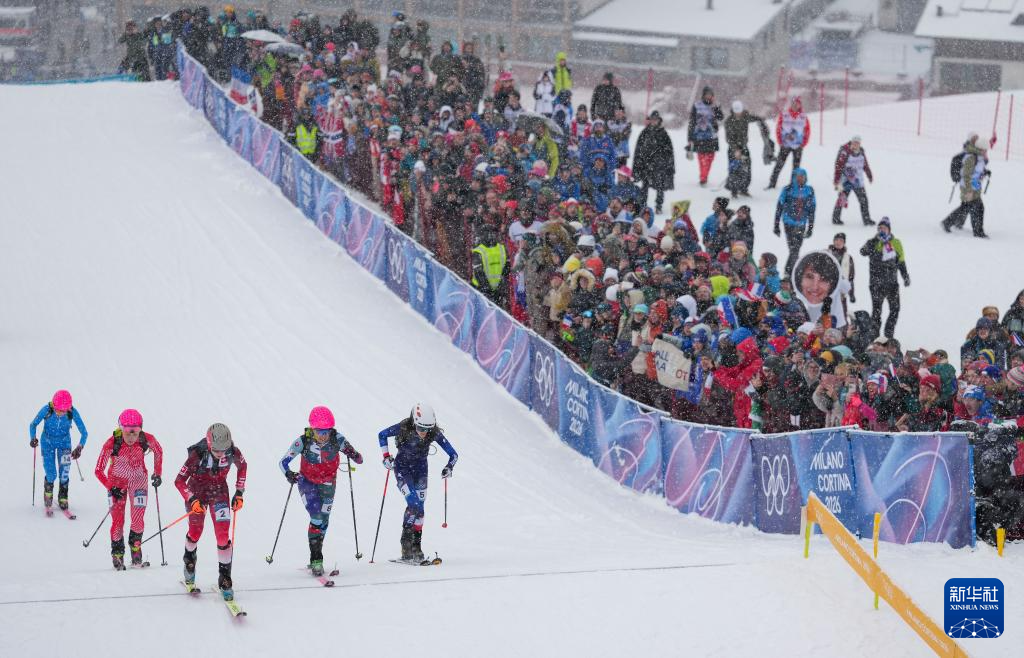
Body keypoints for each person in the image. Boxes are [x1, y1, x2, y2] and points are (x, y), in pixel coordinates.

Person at [280, 406, 363, 576]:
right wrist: (289, 474)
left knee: (324, 521)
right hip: (307, 482)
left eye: (327, 431)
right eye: (319, 432)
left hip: (328, 483)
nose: (323, 435)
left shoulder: (337, 439)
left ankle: (316, 552)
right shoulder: (303, 441)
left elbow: (358, 458)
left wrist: (354, 454)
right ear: (312, 429)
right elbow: (283, 462)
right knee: (316, 517)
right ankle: (316, 558)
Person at [378, 403, 458, 563]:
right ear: (414, 422)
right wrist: (386, 457)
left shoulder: (433, 432)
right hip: (402, 469)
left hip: (421, 470)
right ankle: (406, 546)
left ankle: (416, 547)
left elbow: (453, 454)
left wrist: (449, 467)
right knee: (414, 503)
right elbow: (382, 434)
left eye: (427, 429)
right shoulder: (404, 427)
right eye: (421, 428)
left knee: (420, 508)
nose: (424, 432)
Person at [174, 423, 247, 598]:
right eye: (216, 449)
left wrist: (239, 492)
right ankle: (189, 560)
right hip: (197, 492)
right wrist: (191, 499)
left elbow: (243, 466)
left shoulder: (233, 452)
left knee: (223, 535)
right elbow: (179, 481)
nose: (220, 453)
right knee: (195, 532)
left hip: (219, 492)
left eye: (224, 449)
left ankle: (225, 578)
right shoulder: (197, 454)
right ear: (208, 444)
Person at [93, 409, 163, 570]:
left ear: (140, 430)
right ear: (121, 429)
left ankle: (136, 549)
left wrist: (157, 473)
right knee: (118, 521)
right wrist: (110, 487)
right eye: (127, 433)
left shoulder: (146, 439)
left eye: (135, 433)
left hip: (139, 482)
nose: (131, 438)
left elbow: (158, 451)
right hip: (116, 484)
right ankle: (117, 554)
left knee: (138, 519)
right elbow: (98, 470)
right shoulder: (112, 443)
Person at [29, 390, 88, 515]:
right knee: (51, 473)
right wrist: (33, 438)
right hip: (47, 442)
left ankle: (63, 497)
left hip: (64, 443)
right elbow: (33, 424)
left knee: (64, 472)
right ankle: (48, 495)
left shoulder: (72, 412)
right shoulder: (47, 410)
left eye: (63, 410)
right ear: (53, 405)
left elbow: (84, 432)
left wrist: (79, 447)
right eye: (58, 410)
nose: (60, 413)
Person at [860, 217, 909, 338]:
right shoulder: (873, 242)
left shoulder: (896, 243)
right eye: (880, 228)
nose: (882, 230)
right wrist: (873, 241)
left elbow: (901, 261)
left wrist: (905, 276)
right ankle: (875, 336)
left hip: (892, 283)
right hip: (876, 284)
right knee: (876, 312)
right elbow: (863, 252)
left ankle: (888, 335)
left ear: (889, 229)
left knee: (895, 310)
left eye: (884, 228)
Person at [941, 134, 990, 237]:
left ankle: (948, 222)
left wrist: (985, 173)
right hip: (968, 187)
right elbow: (966, 175)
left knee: (967, 207)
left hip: (975, 186)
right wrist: (969, 191)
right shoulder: (971, 157)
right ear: (981, 149)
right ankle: (978, 232)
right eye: (985, 150)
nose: (986, 152)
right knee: (977, 207)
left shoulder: (979, 157)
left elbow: (976, 171)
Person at [773, 168, 815, 278]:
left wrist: (810, 227)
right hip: (788, 223)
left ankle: (790, 271)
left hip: (801, 223)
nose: (800, 178)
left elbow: (812, 209)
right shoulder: (787, 189)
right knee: (794, 248)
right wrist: (776, 225)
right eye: (797, 176)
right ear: (793, 177)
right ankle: (791, 272)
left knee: (795, 249)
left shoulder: (809, 190)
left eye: (802, 176)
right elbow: (779, 206)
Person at [633, 110, 675, 214]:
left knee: (660, 186)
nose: (653, 121)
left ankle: (658, 205)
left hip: (659, 166)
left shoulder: (663, 134)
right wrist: (638, 163)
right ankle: (643, 205)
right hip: (646, 165)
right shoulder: (644, 133)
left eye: (655, 120)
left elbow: (669, 151)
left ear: (659, 120)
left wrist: (666, 163)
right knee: (645, 186)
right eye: (652, 119)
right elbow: (638, 149)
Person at [831, 136, 874, 226]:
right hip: (846, 181)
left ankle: (866, 220)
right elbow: (838, 166)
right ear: (851, 143)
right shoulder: (845, 152)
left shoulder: (861, 152)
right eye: (854, 142)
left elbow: (865, 165)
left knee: (863, 200)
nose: (856, 145)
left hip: (858, 181)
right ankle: (836, 218)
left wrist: (869, 175)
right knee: (842, 199)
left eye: (857, 143)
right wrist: (836, 180)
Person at [768, 97, 809, 189]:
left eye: (797, 104)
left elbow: (807, 130)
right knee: (779, 164)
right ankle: (772, 183)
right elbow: (778, 128)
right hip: (785, 145)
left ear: (800, 105)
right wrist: (780, 141)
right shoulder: (784, 115)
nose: (795, 105)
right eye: (793, 103)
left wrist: (804, 143)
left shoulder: (803, 117)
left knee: (796, 168)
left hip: (798, 146)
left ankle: (793, 185)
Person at [687, 86, 724, 186]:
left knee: (710, 157)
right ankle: (703, 177)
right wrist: (690, 138)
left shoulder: (715, 106)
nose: (708, 96)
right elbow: (692, 122)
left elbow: (721, 118)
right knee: (702, 158)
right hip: (699, 136)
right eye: (707, 94)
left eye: (710, 95)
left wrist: (717, 109)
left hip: (712, 136)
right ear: (703, 95)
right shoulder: (697, 105)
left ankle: (704, 175)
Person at [471, 225, 510, 305]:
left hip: (495, 291)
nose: (491, 235)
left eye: (493, 233)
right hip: (483, 290)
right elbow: (479, 273)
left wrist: (499, 287)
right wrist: (488, 290)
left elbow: (506, 269)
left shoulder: (502, 248)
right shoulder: (479, 251)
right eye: (489, 233)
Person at [826, 232, 856, 315]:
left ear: (844, 243)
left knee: (842, 315)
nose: (838, 242)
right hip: (826, 291)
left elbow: (850, 277)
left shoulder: (848, 258)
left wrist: (851, 293)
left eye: (841, 240)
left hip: (841, 293)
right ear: (833, 241)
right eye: (836, 240)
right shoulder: (826, 254)